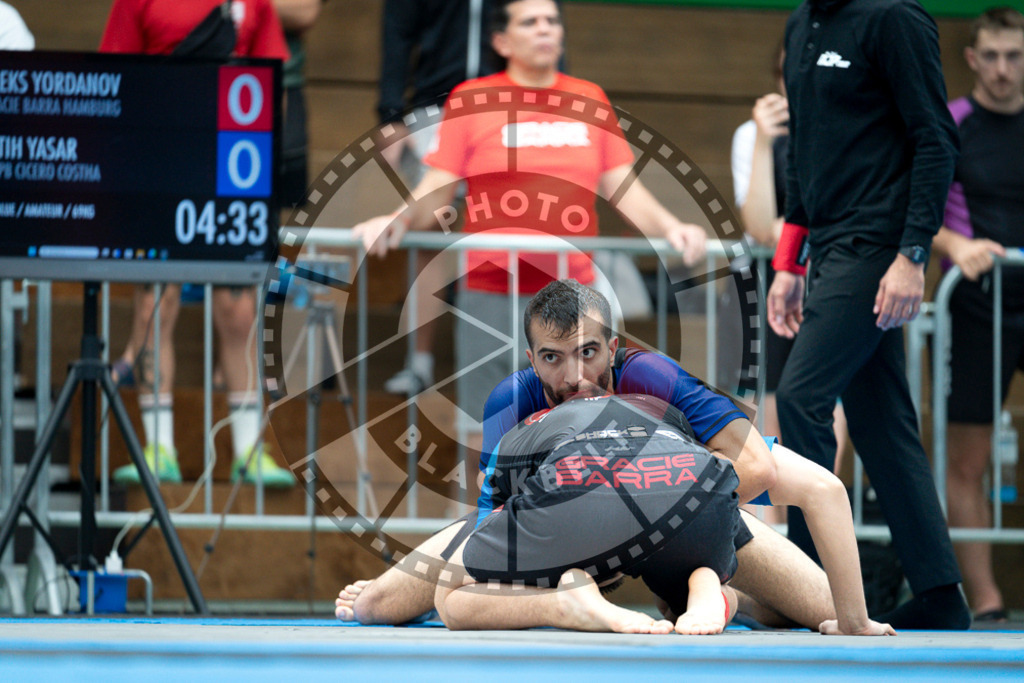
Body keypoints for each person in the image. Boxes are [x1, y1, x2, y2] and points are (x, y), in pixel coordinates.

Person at [338, 280, 894, 636]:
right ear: (531, 359)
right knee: (378, 605)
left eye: (587, 353)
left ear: (613, 346)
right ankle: (641, 595)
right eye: (553, 360)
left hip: (676, 512)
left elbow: (762, 469)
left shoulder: (650, 376)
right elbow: (493, 518)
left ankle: (721, 595)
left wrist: (657, 515)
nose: (574, 377)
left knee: (817, 604)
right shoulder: (512, 399)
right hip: (558, 527)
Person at [355, 0, 707, 477]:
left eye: (551, 20)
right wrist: (391, 219)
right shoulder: (471, 98)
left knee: (583, 424)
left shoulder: (588, 97)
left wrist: (672, 227)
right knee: (487, 427)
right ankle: (482, 534)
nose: (545, 29)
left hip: (575, 299)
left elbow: (625, 189)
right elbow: (431, 191)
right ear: (501, 41)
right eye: (530, 21)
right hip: (488, 289)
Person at [767, 0, 970, 630]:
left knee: (800, 398)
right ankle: (940, 594)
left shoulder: (894, 19)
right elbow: (803, 148)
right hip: (828, 246)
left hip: (877, 242)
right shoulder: (803, 24)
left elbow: (936, 137)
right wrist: (788, 262)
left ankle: (807, 588)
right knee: (882, 422)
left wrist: (912, 254)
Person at [100, 0, 295, 487]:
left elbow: (272, 82)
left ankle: (249, 451)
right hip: (156, 166)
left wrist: (264, 167)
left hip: (233, 165)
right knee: (153, 307)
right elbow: (117, 76)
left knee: (239, 312)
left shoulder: (256, 4)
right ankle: (157, 449)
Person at [931, 6, 1024, 624]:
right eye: (989, 56)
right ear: (971, 60)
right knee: (967, 459)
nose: (1001, 69)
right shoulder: (953, 123)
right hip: (975, 310)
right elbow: (918, 210)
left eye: (1014, 56)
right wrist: (955, 246)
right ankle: (985, 601)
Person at [729, 45, 849, 517]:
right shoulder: (753, 134)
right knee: (761, 439)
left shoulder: (848, 128)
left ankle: (813, 556)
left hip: (831, 282)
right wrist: (763, 140)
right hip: (765, 283)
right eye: (785, 72)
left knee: (824, 430)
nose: (793, 82)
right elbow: (761, 225)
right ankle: (772, 568)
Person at [375, 0, 499, 395]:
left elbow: (548, 33)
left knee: (505, 229)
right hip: (432, 108)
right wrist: (390, 112)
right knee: (429, 230)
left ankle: (511, 361)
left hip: (506, 109)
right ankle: (420, 363)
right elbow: (396, 31)